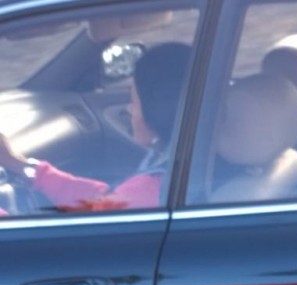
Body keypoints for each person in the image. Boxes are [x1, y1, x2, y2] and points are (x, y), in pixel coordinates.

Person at [0, 42, 191, 215]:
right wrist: (21, 166)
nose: (129, 109)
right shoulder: (188, 167)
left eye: (133, 100)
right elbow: (105, 201)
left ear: (155, 109)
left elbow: (57, 243)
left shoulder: (150, 191)